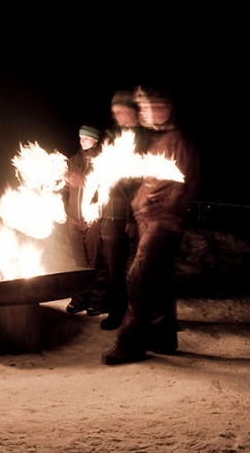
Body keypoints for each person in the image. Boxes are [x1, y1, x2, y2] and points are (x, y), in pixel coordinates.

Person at [102, 86, 200, 365]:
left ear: (171, 109)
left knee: (138, 277)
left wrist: (168, 210)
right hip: (149, 219)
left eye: (160, 106)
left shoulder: (180, 139)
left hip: (162, 222)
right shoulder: (159, 139)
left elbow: (187, 183)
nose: (153, 112)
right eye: (150, 107)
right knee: (160, 281)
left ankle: (129, 344)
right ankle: (163, 338)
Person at [97, 90, 150, 329]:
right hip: (109, 210)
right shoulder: (111, 136)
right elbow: (103, 174)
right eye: (113, 111)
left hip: (133, 214)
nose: (116, 115)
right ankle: (115, 311)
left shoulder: (145, 139)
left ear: (132, 111)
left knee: (141, 267)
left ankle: (143, 313)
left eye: (120, 110)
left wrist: (131, 216)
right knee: (112, 267)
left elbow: (139, 181)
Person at [62, 124, 105, 315]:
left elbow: (108, 191)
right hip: (73, 219)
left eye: (86, 138)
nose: (82, 141)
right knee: (79, 263)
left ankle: (98, 300)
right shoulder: (73, 160)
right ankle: (80, 298)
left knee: (95, 262)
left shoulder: (104, 161)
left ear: (95, 140)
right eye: (80, 138)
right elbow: (64, 187)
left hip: (93, 220)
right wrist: (64, 204)